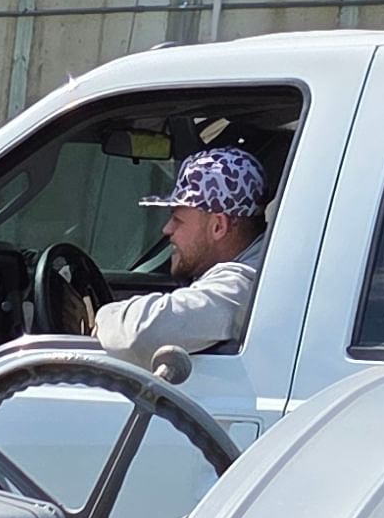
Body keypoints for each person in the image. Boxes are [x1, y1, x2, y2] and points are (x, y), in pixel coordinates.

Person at [87, 144, 268, 363]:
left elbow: (141, 334)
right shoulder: (257, 267)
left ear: (218, 226)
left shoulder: (246, 284)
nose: (167, 229)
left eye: (177, 219)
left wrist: (96, 319)